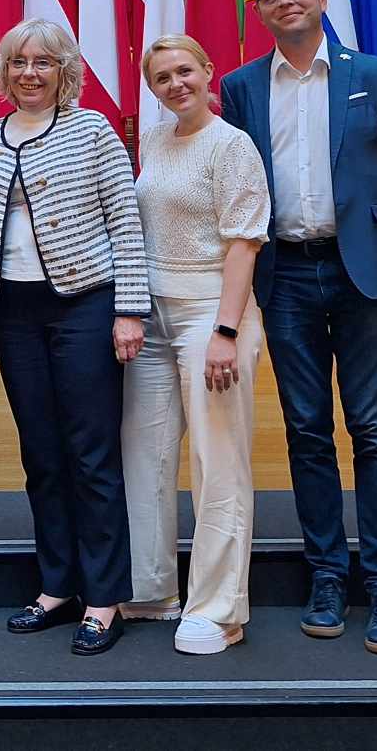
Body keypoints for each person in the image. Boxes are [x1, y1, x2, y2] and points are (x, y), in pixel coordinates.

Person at [220, 0, 377, 656]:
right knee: (307, 433)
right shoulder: (242, 86)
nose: (286, 1)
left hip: (360, 276)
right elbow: (240, 181)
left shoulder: (371, 75)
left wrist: (366, 237)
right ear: (260, 9)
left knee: (374, 431)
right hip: (286, 280)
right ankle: (328, 577)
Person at [0, 18, 148, 658]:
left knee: (91, 456)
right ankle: (57, 586)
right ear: (3, 72)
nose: (30, 73)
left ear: (64, 70)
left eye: (44, 62)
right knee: (41, 456)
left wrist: (130, 311)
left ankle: (105, 597)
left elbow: (125, 222)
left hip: (85, 308)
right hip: (12, 312)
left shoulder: (92, 130)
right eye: (19, 62)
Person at [121, 34, 269, 655]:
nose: (175, 84)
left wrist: (226, 332)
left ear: (208, 73)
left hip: (213, 314)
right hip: (150, 316)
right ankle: (153, 589)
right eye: (161, 77)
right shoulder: (153, 141)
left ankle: (219, 608)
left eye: (185, 71)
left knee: (218, 461)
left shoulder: (233, 145)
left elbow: (245, 242)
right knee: (144, 452)